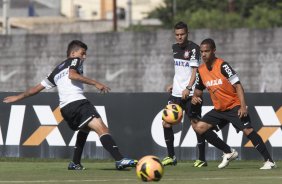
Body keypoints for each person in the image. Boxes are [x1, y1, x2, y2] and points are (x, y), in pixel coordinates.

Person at [3, 40, 137, 170]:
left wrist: (18, 97)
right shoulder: (75, 61)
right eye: (82, 53)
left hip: (66, 109)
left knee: (85, 129)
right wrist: (96, 83)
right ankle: (120, 159)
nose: (84, 56)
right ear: (73, 53)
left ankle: (75, 163)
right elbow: (72, 75)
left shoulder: (55, 71)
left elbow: (35, 89)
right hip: (77, 102)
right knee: (102, 129)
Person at [191, 38, 276, 169]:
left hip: (234, 106)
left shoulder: (223, 66)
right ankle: (229, 152)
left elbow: (238, 86)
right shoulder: (201, 71)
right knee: (199, 127)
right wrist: (195, 98)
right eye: (201, 52)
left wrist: (242, 106)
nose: (203, 54)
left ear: (214, 51)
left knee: (248, 130)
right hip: (219, 110)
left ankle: (269, 161)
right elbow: (198, 91)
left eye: (206, 51)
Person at [161, 21, 208, 168]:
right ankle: (171, 157)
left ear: (187, 34)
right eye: (177, 35)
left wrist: (188, 87)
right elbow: (181, 70)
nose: (179, 37)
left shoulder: (194, 48)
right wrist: (173, 84)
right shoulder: (174, 47)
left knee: (196, 125)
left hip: (192, 93)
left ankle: (201, 159)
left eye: (182, 34)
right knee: (166, 122)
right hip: (176, 93)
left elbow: (194, 70)